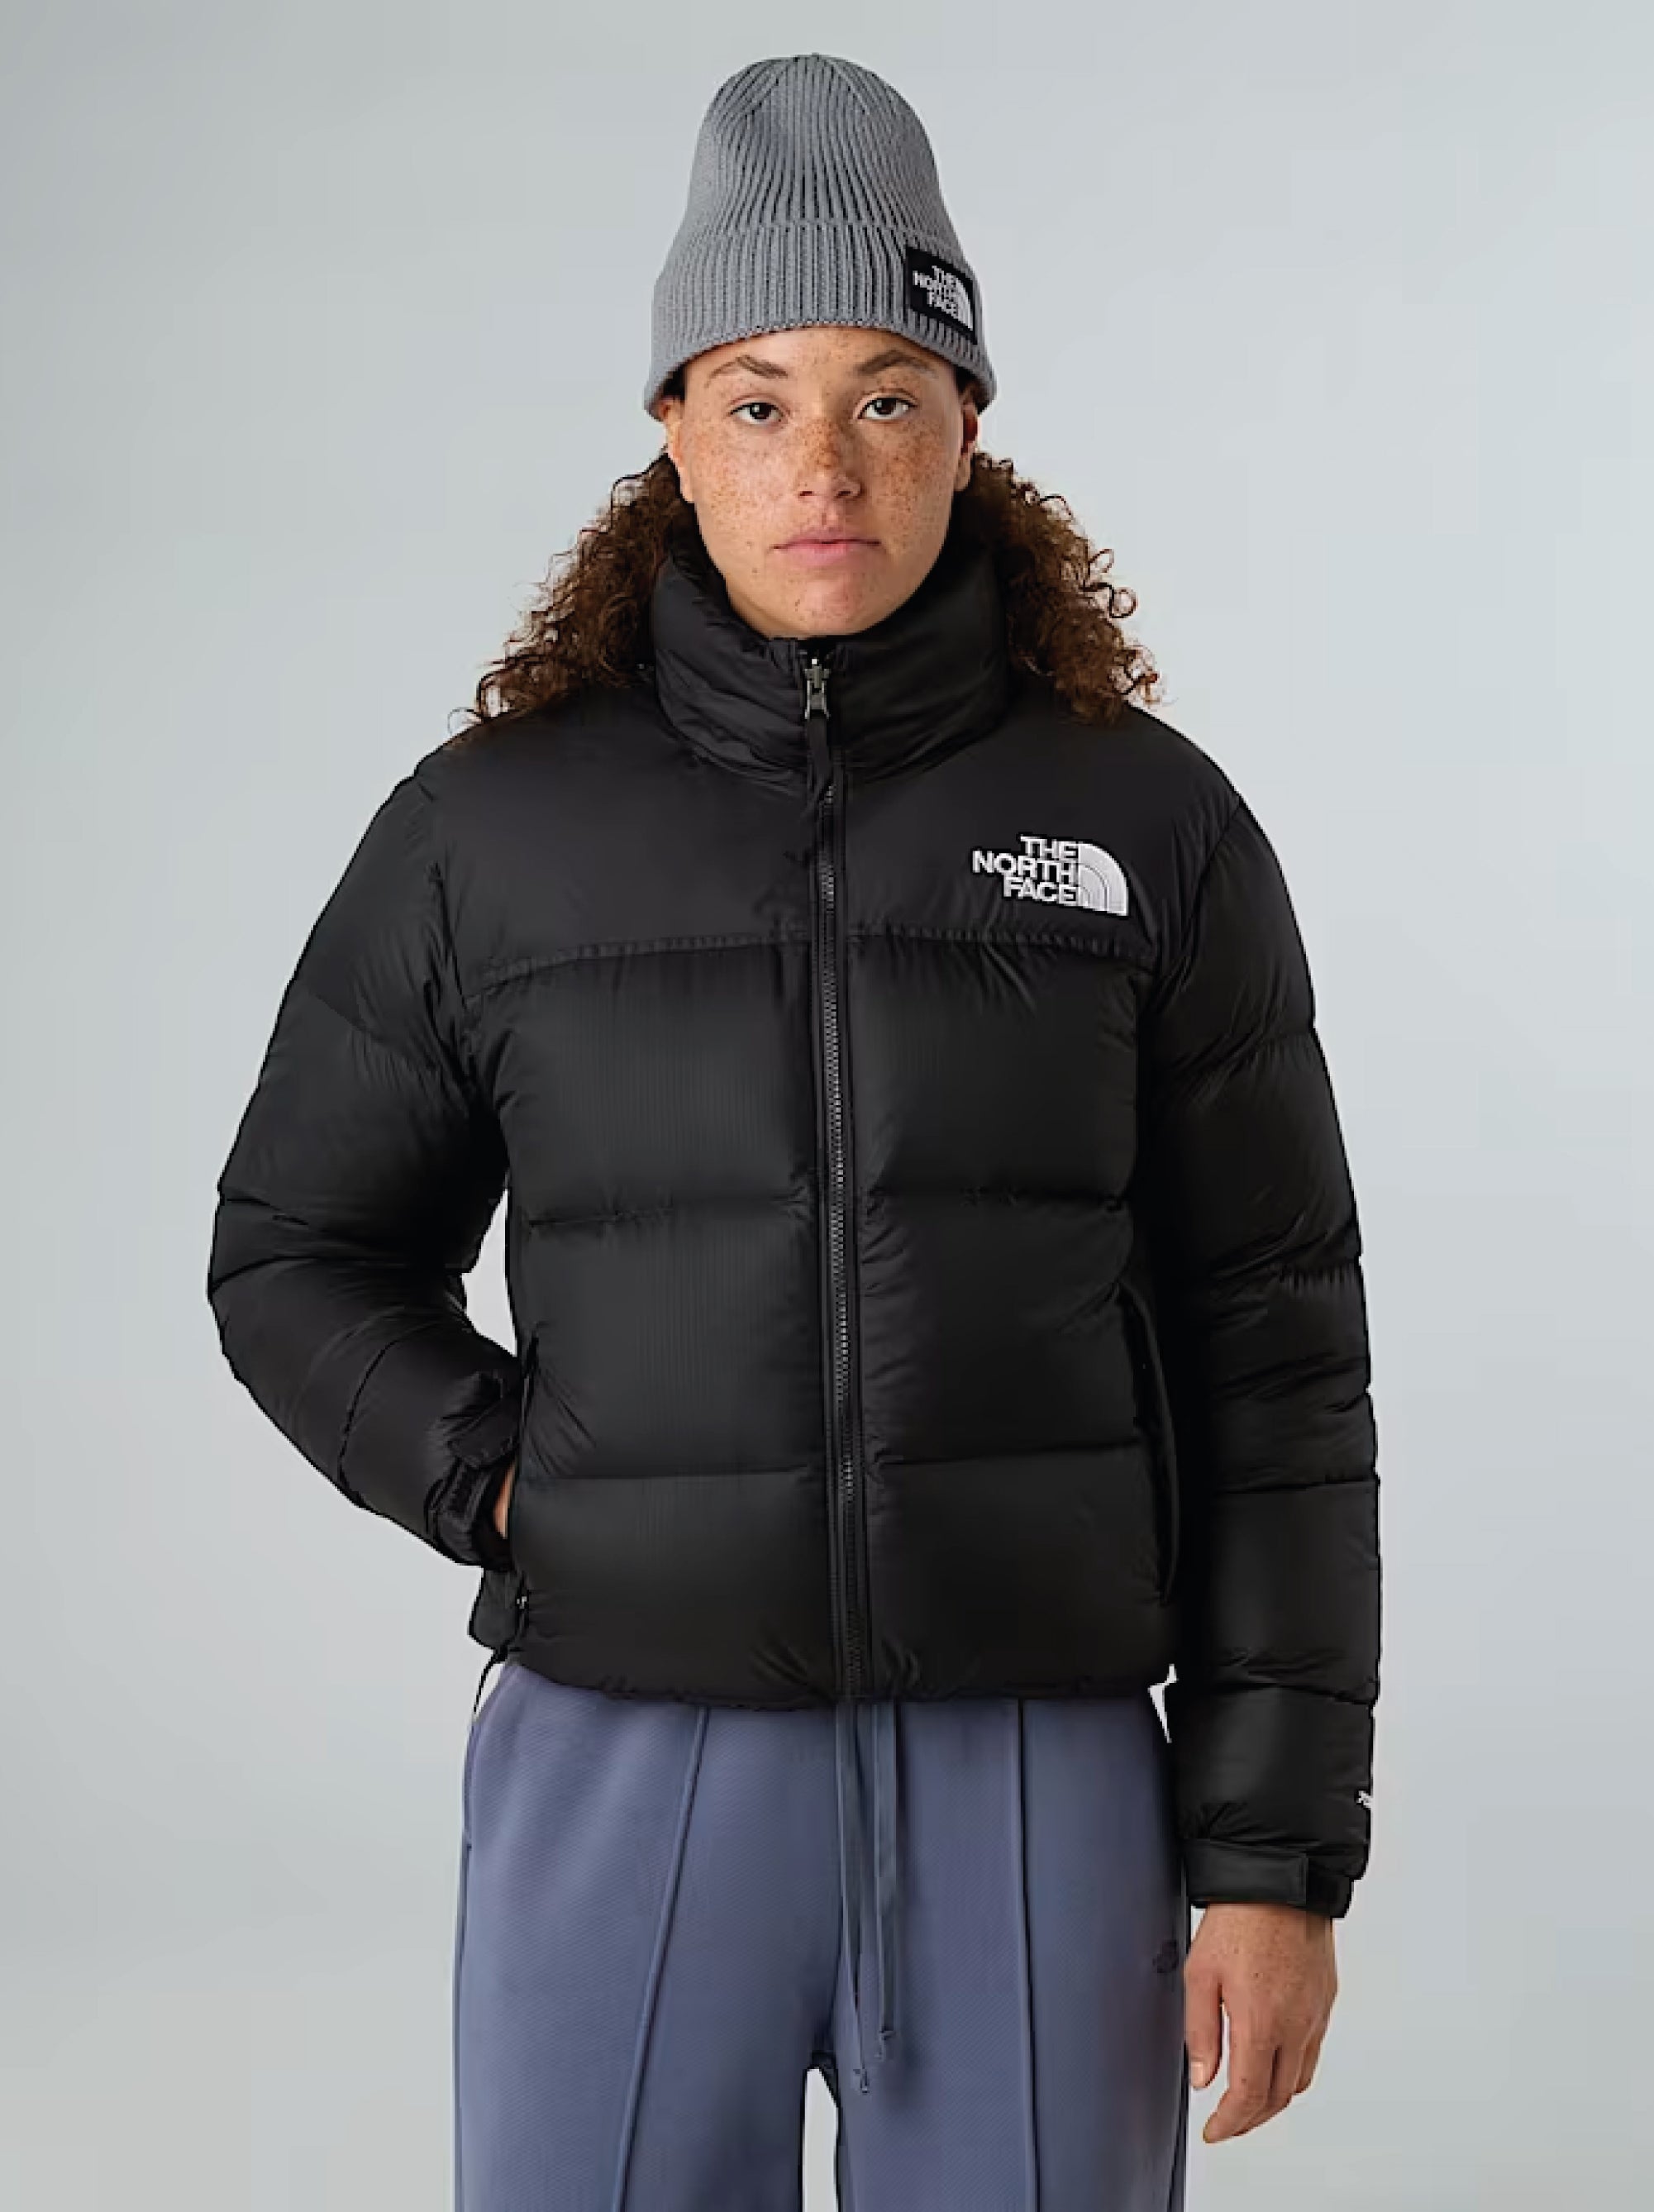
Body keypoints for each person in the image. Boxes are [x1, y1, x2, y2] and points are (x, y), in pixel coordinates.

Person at [206, 50, 1381, 2212]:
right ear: (672, 425)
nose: (821, 465)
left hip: (1034, 1765)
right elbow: (293, 1251)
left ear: (966, 425)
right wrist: (503, 1475)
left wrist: (1272, 1851)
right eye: (758, 401)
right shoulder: (492, 832)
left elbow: (1277, 1354)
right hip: (624, 1750)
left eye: (884, 396)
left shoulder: (1147, 825)